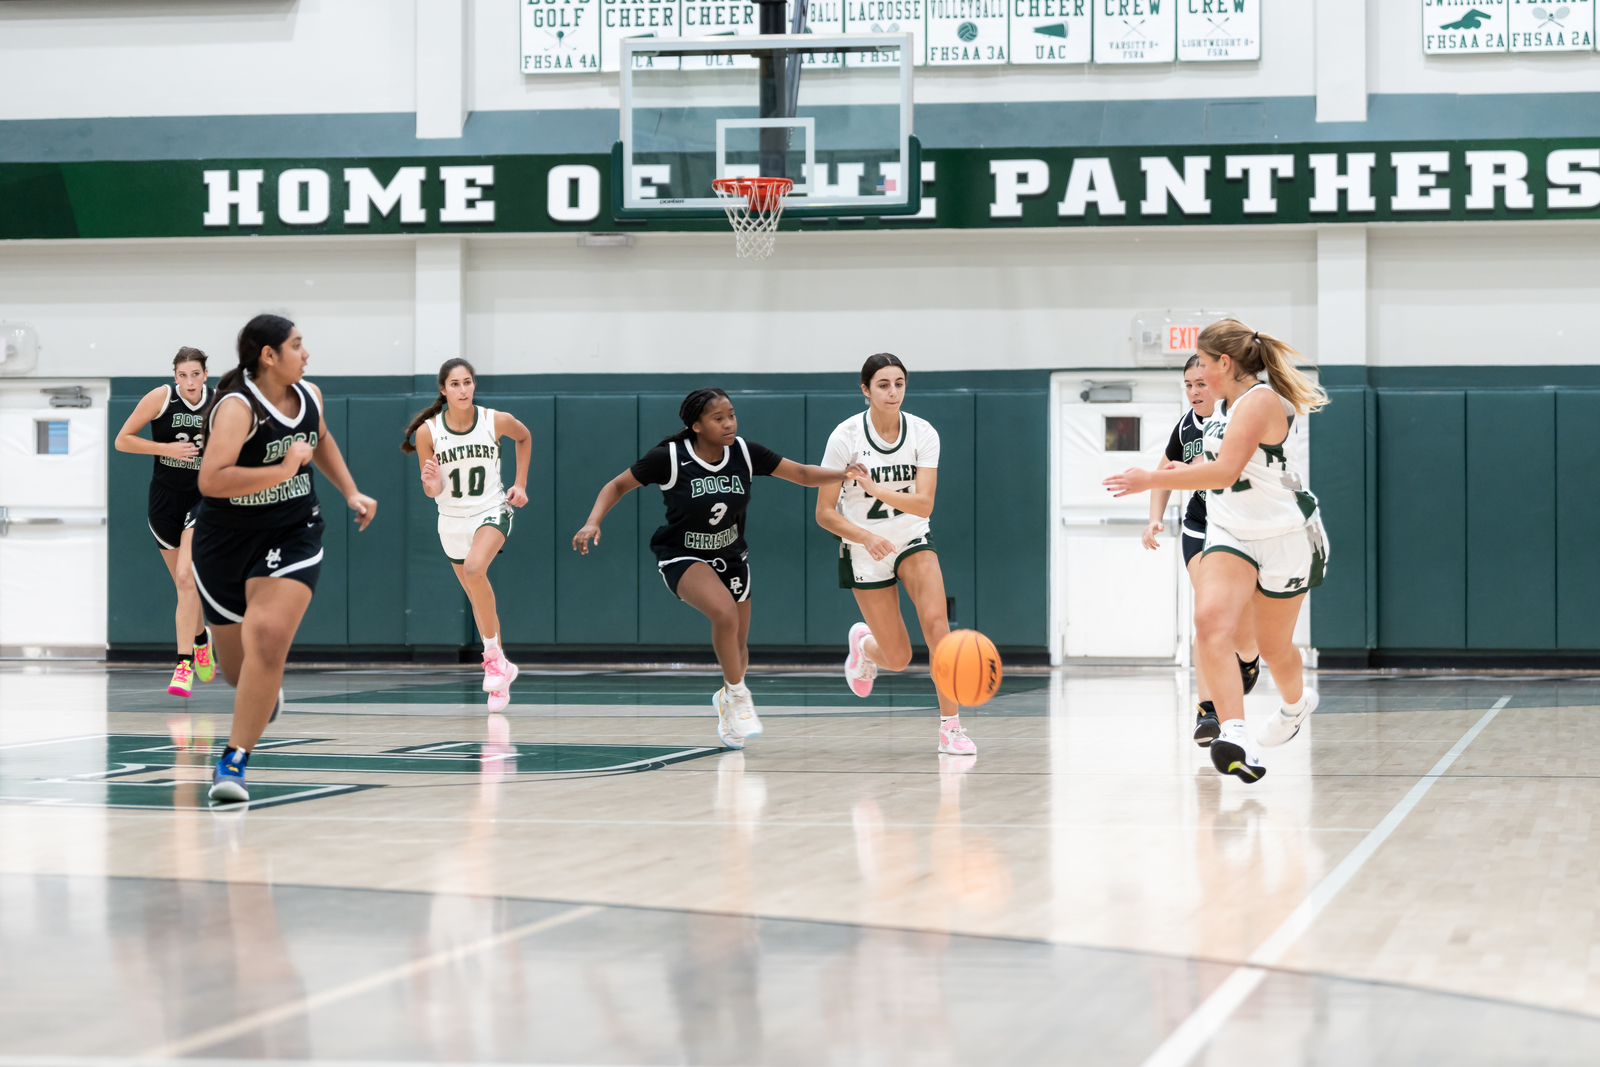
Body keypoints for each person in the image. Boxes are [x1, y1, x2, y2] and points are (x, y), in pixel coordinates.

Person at [1106, 320, 1328, 783]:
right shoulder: (1218, 406)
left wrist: (1151, 478)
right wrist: (1162, 485)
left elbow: (1225, 471)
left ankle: (1295, 705)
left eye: (1203, 364)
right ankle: (1235, 734)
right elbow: (1206, 462)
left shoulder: (1260, 402)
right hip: (1230, 531)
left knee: (1272, 646)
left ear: (1224, 363)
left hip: (1285, 534)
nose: (1198, 373)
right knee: (1210, 622)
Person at [573, 388, 851, 749]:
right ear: (697, 425)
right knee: (724, 614)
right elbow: (617, 485)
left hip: (732, 556)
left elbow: (801, 473)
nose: (729, 423)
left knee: (738, 644)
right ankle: (738, 695)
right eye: (718, 418)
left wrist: (843, 475)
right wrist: (593, 521)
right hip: (682, 554)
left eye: (731, 415)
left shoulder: (745, 454)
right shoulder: (670, 458)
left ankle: (726, 700)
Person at [193, 314, 378, 803]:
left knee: (269, 638)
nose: (306, 353)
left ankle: (233, 760)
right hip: (224, 543)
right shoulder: (236, 408)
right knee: (240, 671)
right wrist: (279, 470)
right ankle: (262, 692)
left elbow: (320, 440)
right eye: (297, 345)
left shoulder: (310, 396)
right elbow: (211, 481)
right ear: (268, 355)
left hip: (293, 531)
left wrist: (351, 491)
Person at [819, 353, 975, 757]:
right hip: (865, 548)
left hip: (911, 538)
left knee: (938, 626)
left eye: (899, 383)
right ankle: (866, 647)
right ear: (866, 389)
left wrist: (874, 490)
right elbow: (824, 514)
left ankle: (950, 728)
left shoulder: (923, 433)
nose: (893, 392)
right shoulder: (845, 437)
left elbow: (923, 506)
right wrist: (864, 537)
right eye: (883, 384)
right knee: (900, 657)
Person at [1141, 354, 1262, 747]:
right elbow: (1162, 472)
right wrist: (1155, 517)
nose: (1194, 391)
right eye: (1188, 385)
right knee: (1207, 614)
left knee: (1242, 625)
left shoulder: (1240, 416)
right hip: (1201, 525)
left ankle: (1247, 660)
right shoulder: (1185, 426)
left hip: (1243, 526)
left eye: (1201, 383)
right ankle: (1208, 710)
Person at [401, 358, 531, 713]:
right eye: (455, 384)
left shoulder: (494, 420)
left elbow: (525, 436)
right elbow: (432, 491)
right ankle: (501, 670)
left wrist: (520, 483)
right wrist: (432, 483)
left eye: (468, 382)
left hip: (491, 509)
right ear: (443, 389)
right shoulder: (428, 432)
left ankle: (492, 659)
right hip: (451, 519)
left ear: (474, 386)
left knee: (475, 570)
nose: (463, 389)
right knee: (476, 593)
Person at [113, 347, 216, 696]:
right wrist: (166, 449)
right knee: (184, 586)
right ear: (175, 376)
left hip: (202, 499)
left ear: (205, 375)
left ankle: (183, 664)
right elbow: (122, 440)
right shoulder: (161, 397)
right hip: (164, 502)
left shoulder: (219, 402)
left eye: (196, 374)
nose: (189, 381)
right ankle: (201, 638)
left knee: (188, 578)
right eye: (183, 375)